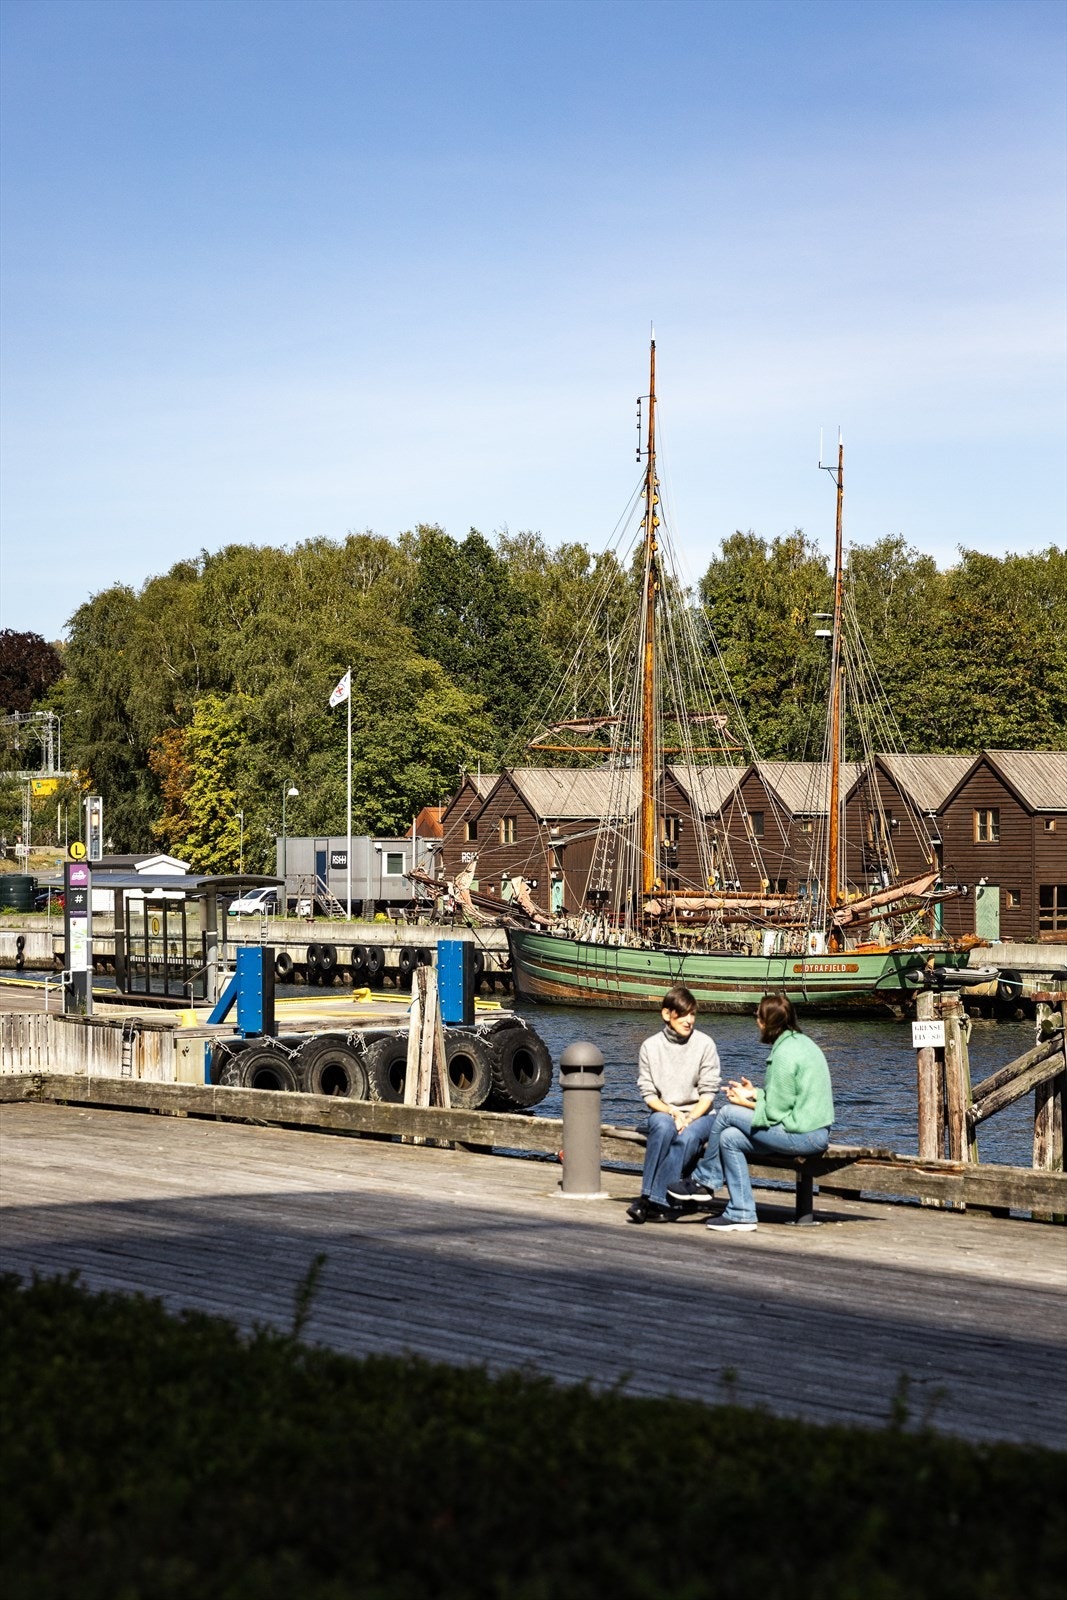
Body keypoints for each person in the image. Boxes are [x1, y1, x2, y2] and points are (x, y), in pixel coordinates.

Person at [668, 992, 833, 1233]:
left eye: (758, 1017)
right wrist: (755, 1093)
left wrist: (743, 1103)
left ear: (767, 1023)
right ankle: (741, 1213)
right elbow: (789, 1099)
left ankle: (704, 1181)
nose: (756, 1021)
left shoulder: (784, 1055)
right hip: (810, 1130)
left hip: (803, 1135)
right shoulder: (801, 1043)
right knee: (729, 1138)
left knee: (726, 1114)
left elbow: (776, 1113)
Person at [628, 984, 720, 1224]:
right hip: (667, 1111)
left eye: (693, 1014)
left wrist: (688, 1119)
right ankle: (656, 1200)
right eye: (683, 1014)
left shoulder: (705, 1044)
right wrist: (672, 1112)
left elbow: (708, 1095)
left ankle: (648, 1200)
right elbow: (648, 1095)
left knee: (688, 1136)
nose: (689, 1020)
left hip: (702, 1115)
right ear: (667, 1014)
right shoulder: (650, 1046)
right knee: (661, 1126)